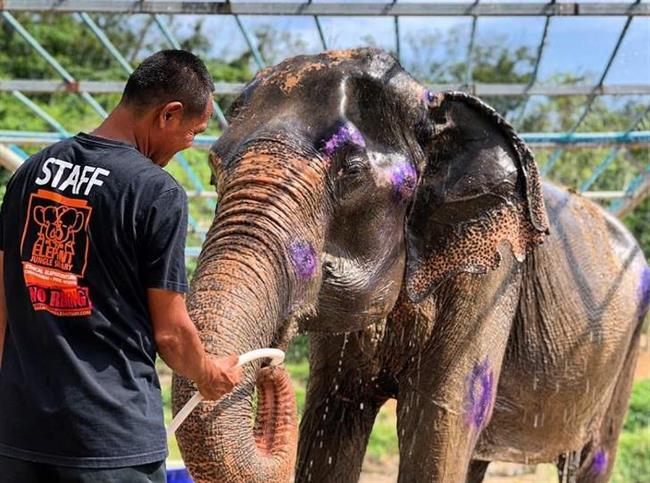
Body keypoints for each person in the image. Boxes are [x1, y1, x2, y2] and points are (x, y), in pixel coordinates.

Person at [0, 50, 242, 482]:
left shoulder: (29, 174)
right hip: (110, 442)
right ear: (169, 115)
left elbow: (3, 299)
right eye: (194, 131)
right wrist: (208, 373)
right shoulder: (156, 193)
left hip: (20, 436)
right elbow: (169, 332)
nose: (190, 144)